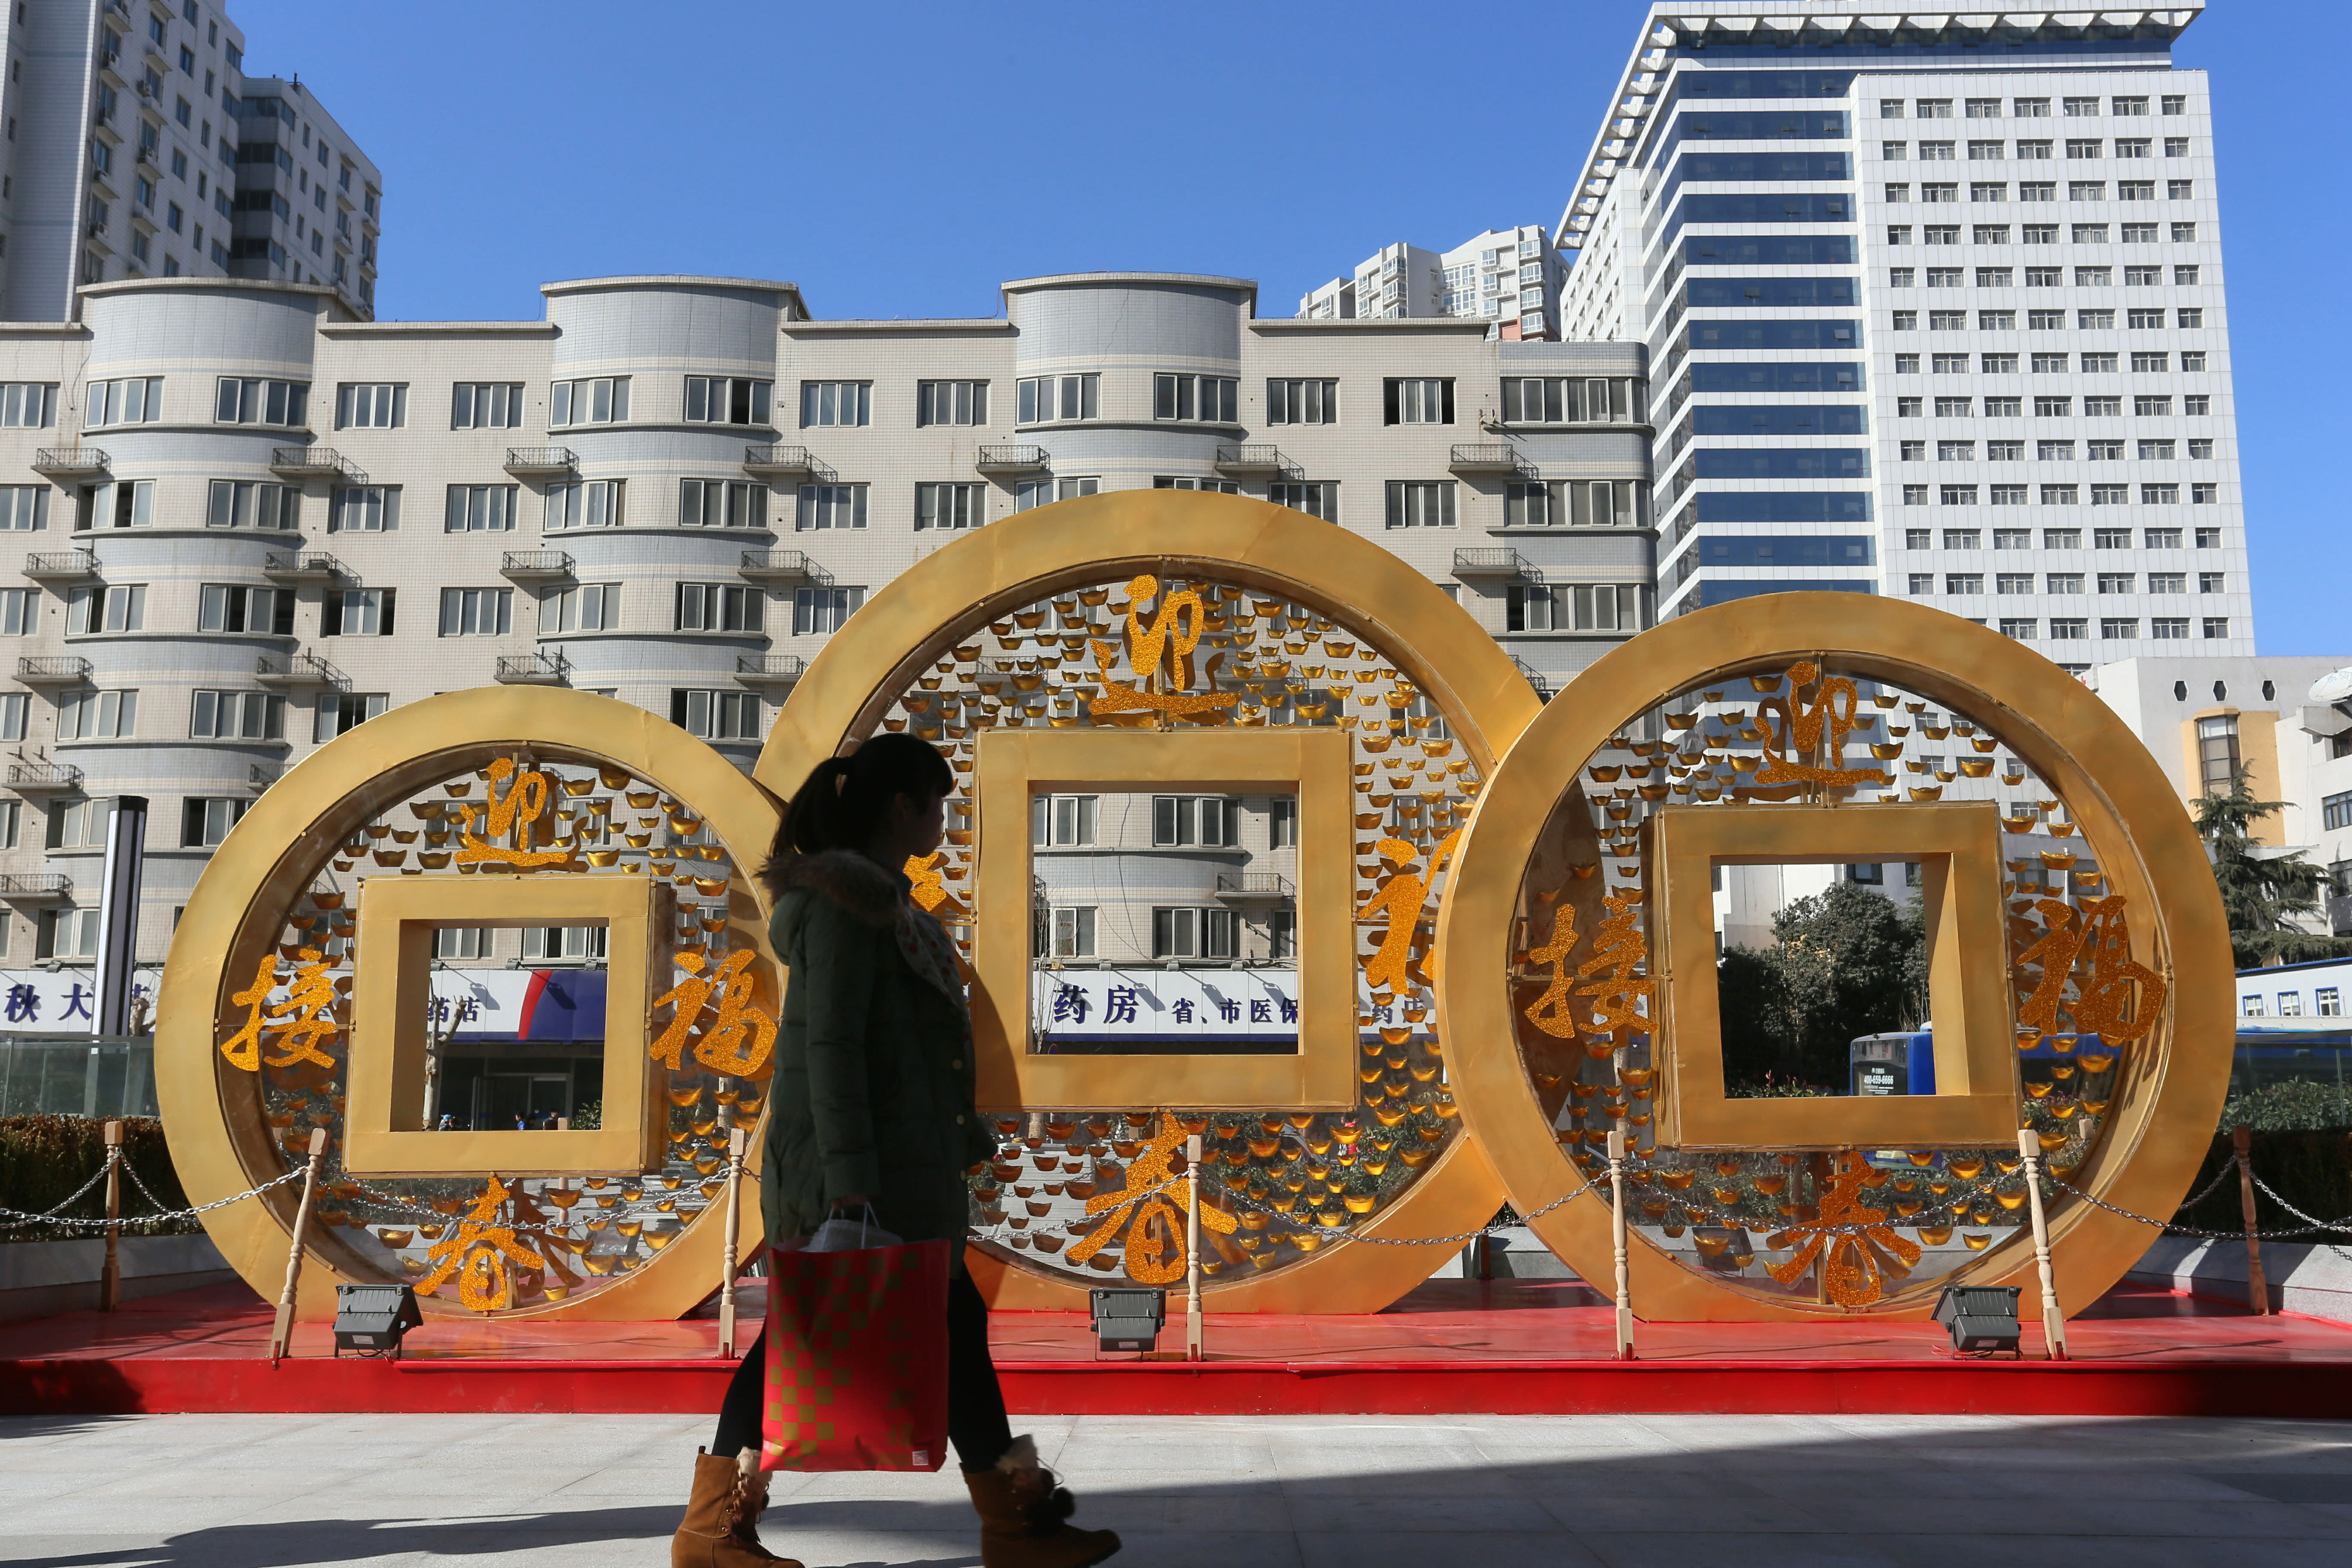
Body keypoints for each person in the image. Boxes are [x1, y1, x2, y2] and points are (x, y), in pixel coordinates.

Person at [670, 732, 1120, 1568]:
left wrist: (961, 1144)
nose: (944, 820)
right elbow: (831, 1047)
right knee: (805, 1340)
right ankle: (712, 1530)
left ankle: (1014, 1526)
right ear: (901, 808)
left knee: (952, 1329)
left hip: (903, 1172)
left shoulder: (891, 908)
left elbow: (913, 1049)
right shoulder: (845, 909)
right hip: (852, 1177)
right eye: (937, 804)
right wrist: (851, 1183)